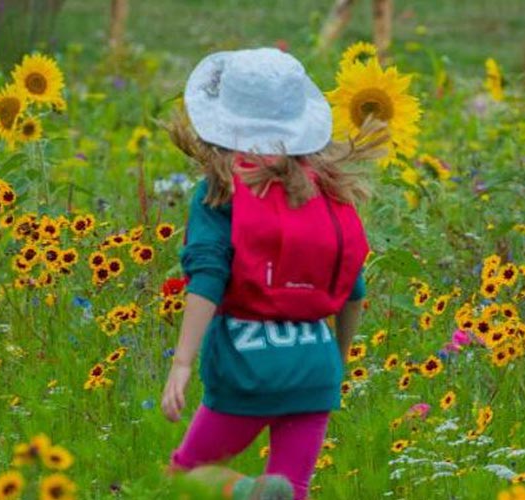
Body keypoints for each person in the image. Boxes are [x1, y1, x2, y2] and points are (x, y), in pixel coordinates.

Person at [161, 47, 388, 500]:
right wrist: (338, 360)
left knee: (185, 478)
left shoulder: (222, 190)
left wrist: (182, 362)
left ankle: (245, 490)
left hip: (248, 366)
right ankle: (266, 492)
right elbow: (353, 288)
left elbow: (207, 278)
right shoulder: (329, 191)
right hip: (316, 367)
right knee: (293, 489)